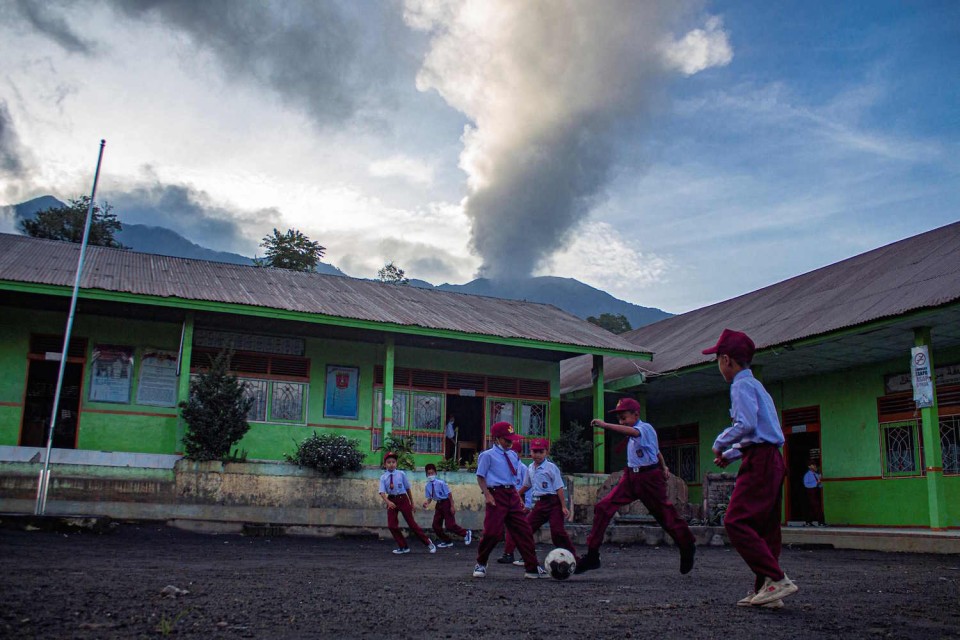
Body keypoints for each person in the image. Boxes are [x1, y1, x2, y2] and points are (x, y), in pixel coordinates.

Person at [704, 328, 798, 607]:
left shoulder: (740, 386)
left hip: (760, 462)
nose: (718, 365)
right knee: (767, 527)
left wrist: (719, 444)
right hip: (771, 458)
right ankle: (767, 590)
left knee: (735, 521)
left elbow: (745, 424)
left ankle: (777, 579)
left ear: (726, 360)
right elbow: (762, 432)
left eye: (718, 360)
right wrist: (733, 454)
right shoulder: (758, 386)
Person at [576, 397, 696, 576]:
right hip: (631, 477)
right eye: (619, 419)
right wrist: (664, 466)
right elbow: (656, 451)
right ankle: (592, 555)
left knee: (665, 515)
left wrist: (605, 425)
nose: (621, 422)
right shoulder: (633, 435)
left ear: (636, 415)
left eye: (624, 417)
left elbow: (634, 433)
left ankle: (687, 545)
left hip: (649, 478)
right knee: (603, 507)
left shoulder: (644, 428)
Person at [472, 421, 545, 579]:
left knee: (523, 530)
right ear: (497, 439)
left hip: (511, 493)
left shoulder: (513, 455)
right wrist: (487, 495)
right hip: (496, 493)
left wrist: (518, 497)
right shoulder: (487, 455)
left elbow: (513, 479)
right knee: (492, 532)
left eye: (512, 440)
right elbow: (480, 476)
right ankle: (481, 562)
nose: (510, 443)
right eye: (507, 440)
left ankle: (532, 566)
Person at [518, 438, 579, 561]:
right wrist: (517, 494)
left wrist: (563, 506)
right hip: (540, 503)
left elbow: (559, 487)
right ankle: (527, 556)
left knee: (557, 532)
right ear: (530, 452)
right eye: (535, 451)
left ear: (546, 452)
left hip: (554, 502)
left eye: (541, 452)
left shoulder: (551, 468)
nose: (538, 455)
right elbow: (527, 485)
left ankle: (571, 557)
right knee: (526, 529)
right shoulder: (530, 468)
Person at [378, 451, 436, 555]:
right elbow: (382, 493)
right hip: (391, 500)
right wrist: (388, 502)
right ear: (385, 464)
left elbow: (408, 489)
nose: (391, 464)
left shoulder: (401, 474)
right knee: (392, 525)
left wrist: (412, 503)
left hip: (403, 499)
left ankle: (428, 543)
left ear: (396, 463)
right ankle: (403, 546)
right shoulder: (383, 477)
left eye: (393, 462)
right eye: (389, 462)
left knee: (412, 524)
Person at [497, 449, 533, 565]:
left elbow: (528, 487)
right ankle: (509, 553)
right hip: (509, 498)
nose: (512, 454)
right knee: (510, 528)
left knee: (522, 528)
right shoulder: (505, 466)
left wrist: (528, 504)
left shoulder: (523, 468)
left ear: (519, 454)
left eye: (515, 452)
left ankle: (524, 554)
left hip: (520, 498)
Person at [422, 463, 473, 547]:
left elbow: (449, 495)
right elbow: (430, 497)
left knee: (450, 525)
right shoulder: (427, 486)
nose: (431, 475)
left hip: (446, 503)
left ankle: (465, 533)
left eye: (432, 473)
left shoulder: (441, 483)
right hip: (438, 505)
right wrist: (427, 502)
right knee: (435, 526)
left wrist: (452, 506)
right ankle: (447, 541)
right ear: (426, 475)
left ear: (435, 473)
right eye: (429, 474)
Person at [803, 462, 825, 527]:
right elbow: (806, 484)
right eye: (813, 465)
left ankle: (808, 522)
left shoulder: (816, 474)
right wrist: (816, 483)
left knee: (813, 507)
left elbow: (820, 484)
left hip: (816, 492)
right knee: (816, 507)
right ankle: (820, 522)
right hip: (810, 492)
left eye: (815, 465)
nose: (815, 466)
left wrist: (820, 482)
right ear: (809, 467)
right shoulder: (807, 475)